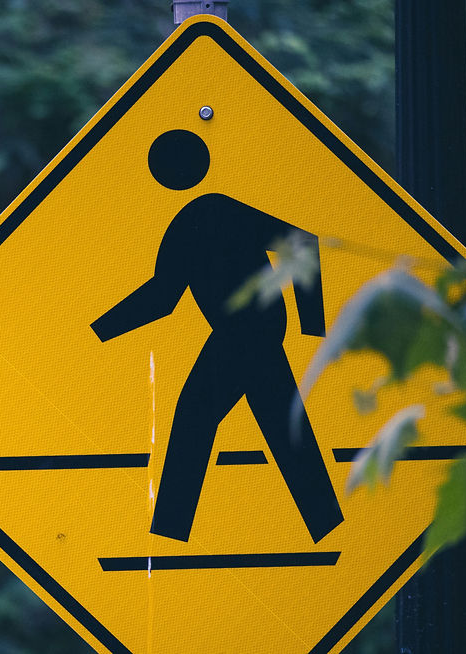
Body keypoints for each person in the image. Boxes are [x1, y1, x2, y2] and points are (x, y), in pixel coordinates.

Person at [91, 129, 343, 543]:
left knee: (195, 416)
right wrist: (99, 332)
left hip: (250, 329)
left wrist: (312, 326)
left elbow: (301, 243)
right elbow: (163, 296)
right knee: (279, 424)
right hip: (242, 331)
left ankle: (168, 534)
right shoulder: (188, 221)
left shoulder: (213, 210)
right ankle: (326, 524)